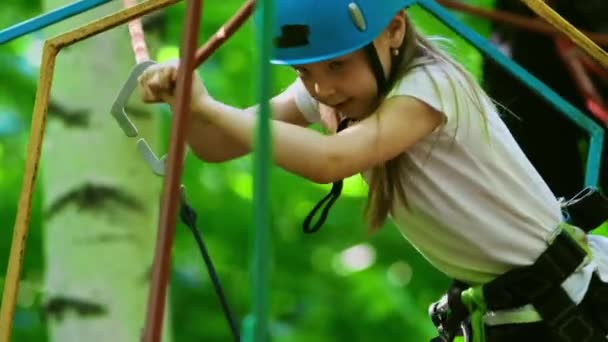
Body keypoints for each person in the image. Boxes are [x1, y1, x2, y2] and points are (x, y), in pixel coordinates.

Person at [138, 0, 608, 341]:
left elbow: (331, 161)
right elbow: (217, 145)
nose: (322, 87)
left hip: (568, 305)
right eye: (304, 73)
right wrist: (192, 107)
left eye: (337, 64)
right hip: (510, 315)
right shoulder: (337, 89)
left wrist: (210, 108)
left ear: (395, 30)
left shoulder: (432, 85)